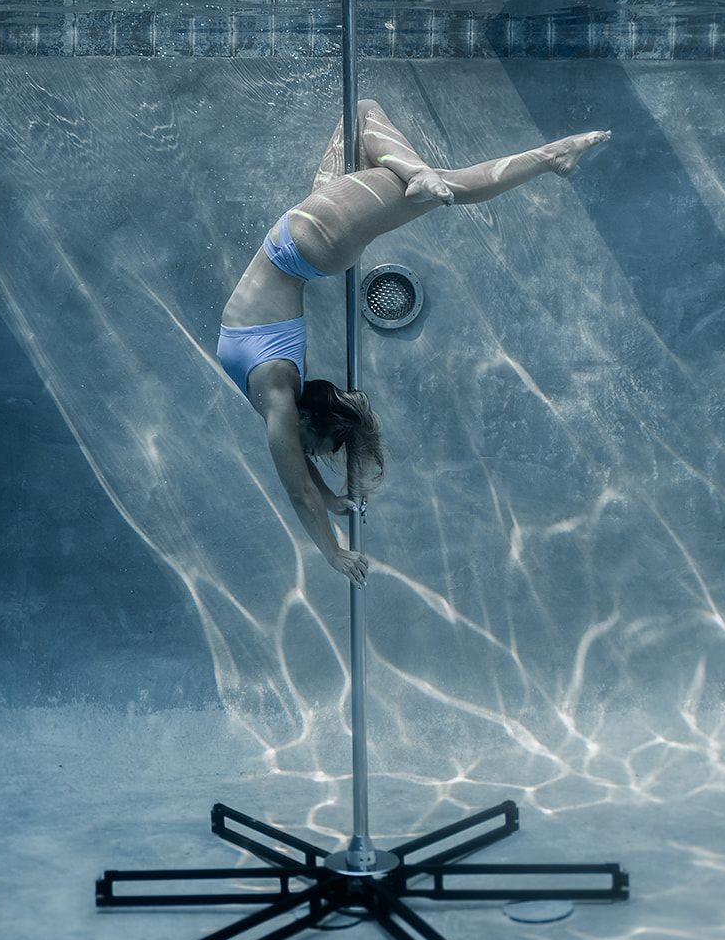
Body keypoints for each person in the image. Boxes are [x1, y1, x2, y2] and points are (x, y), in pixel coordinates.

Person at [217, 99, 610, 586]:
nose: (313, 455)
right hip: (306, 239)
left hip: (313, 241)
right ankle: (499, 162)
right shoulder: (277, 399)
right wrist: (333, 523)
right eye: (319, 448)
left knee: (407, 153)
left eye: (318, 448)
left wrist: (333, 548)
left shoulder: (278, 395)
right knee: (390, 137)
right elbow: (300, 475)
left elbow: (299, 485)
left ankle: (500, 163)